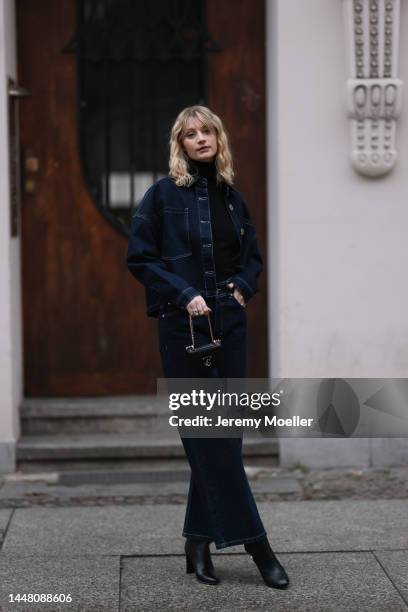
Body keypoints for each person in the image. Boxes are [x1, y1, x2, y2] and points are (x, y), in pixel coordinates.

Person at [126, 105, 289, 589]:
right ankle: (260, 547)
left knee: (224, 438)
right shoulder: (161, 197)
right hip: (186, 329)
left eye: (207, 131)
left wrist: (242, 287)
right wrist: (183, 292)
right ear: (179, 145)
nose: (200, 139)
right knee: (209, 439)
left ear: (218, 137)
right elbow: (140, 258)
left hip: (231, 326)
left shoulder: (232, 199)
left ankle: (198, 540)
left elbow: (253, 258)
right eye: (190, 134)